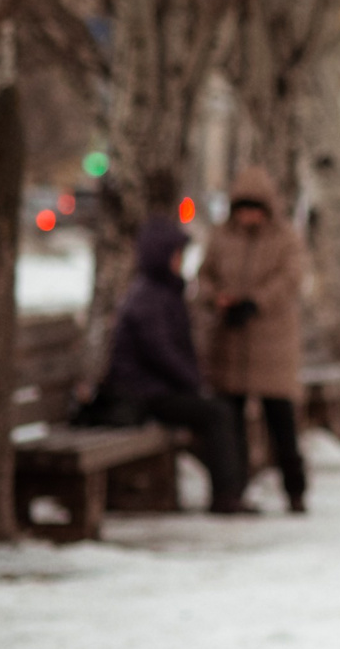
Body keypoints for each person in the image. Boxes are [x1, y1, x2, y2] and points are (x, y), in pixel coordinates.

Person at [98, 215, 250, 515]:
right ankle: (227, 495)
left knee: (220, 408)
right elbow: (161, 352)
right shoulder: (148, 297)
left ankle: (232, 490)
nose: (181, 261)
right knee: (217, 412)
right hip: (142, 394)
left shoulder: (165, 292)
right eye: (178, 254)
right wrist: (194, 384)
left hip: (157, 389)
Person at [198, 166, 309, 514]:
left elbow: (290, 279)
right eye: (242, 209)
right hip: (230, 344)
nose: (248, 217)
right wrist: (217, 297)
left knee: (281, 422)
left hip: (272, 344)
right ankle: (233, 489)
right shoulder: (221, 237)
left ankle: (295, 489)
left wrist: (255, 302)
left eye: (254, 209)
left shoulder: (285, 238)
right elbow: (203, 277)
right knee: (231, 425)